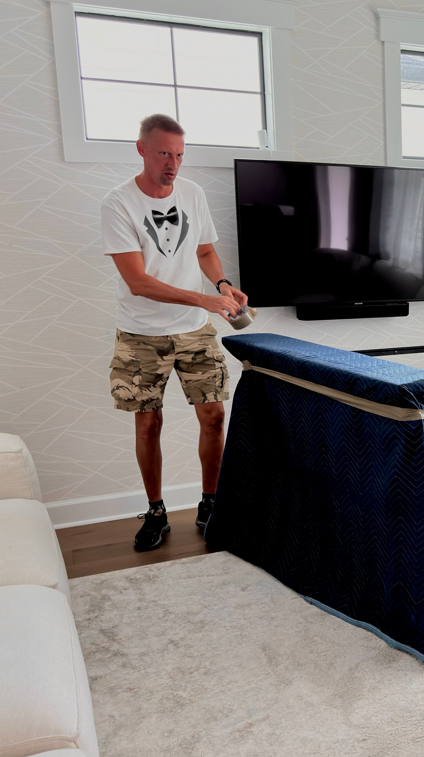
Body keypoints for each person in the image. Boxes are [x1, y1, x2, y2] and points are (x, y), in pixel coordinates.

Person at [101, 114, 248, 551]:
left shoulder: (192, 194)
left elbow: (204, 251)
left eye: (180, 155)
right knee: (148, 425)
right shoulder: (118, 203)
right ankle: (156, 511)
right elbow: (138, 282)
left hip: (194, 331)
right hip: (141, 334)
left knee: (214, 417)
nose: (173, 164)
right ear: (142, 149)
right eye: (165, 153)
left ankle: (210, 502)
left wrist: (222, 284)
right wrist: (204, 299)